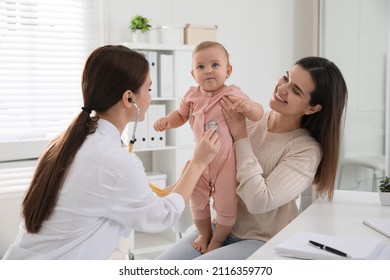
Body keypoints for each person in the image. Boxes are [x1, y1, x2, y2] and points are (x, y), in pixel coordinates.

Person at [2, 45, 221, 260]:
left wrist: (190, 176)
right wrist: (198, 164)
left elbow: (140, 198)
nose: (150, 98)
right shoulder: (115, 161)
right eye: (149, 89)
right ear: (129, 98)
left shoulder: (67, 144)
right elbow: (161, 217)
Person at [156, 56, 348, 260]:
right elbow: (212, 167)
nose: (283, 88)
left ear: (312, 108)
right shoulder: (248, 117)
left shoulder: (306, 150)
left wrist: (240, 137)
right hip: (219, 227)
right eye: (286, 78)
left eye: (296, 90)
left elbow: (259, 202)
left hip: (262, 241)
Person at [154, 41, 264, 253]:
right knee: (197, 200)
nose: (208, 71)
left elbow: (258, 114)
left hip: (225, 163)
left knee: (226, 203)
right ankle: (205, 233)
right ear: (193, 74)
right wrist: (168, 120)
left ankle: (218, 239)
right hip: (200, 161)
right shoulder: (191, 95)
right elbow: (180, 115)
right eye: (201, 67)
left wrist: (248, 107)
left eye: (215, 65)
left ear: (228, 70)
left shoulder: (232, 93)